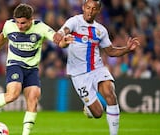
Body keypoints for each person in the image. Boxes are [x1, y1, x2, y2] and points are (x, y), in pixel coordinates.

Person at [0, 3, 72, 135]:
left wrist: (64, 42)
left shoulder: (41, 28)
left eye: (23, 23)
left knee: (33, 98)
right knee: (13, 94)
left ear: (31, 20)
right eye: (17, 22)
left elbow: (59, 41)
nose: (19, 26)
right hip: (15, 64)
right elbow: (3, 36)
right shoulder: (9, 25)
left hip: (32, 68)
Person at [53, 0, 140, 135]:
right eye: (88, 8)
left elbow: (110, 51)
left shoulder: (101, 30)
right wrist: (61, 35)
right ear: (83, 7)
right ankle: (89, 109)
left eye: (94, 9)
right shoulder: (74, 21)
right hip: (79, 75)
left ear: (98, 11)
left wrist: (127, 49)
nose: (90, 11)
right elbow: (64, 30)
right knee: (98, 113)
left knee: (110, 94)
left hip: (97, 68)